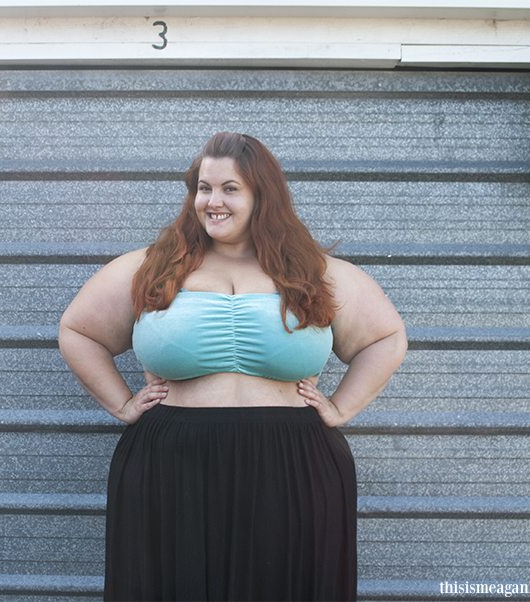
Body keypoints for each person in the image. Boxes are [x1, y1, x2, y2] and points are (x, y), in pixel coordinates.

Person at [59, 132, 406, 601]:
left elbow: (385, 338)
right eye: (204, 187)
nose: (211, 201)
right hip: (171, 466)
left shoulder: (314, 272)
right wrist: (121, 402)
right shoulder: (152, 268)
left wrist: (341, 408)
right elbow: (79, 331)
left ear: (262, 196)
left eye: (230, 188)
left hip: (292, 466)